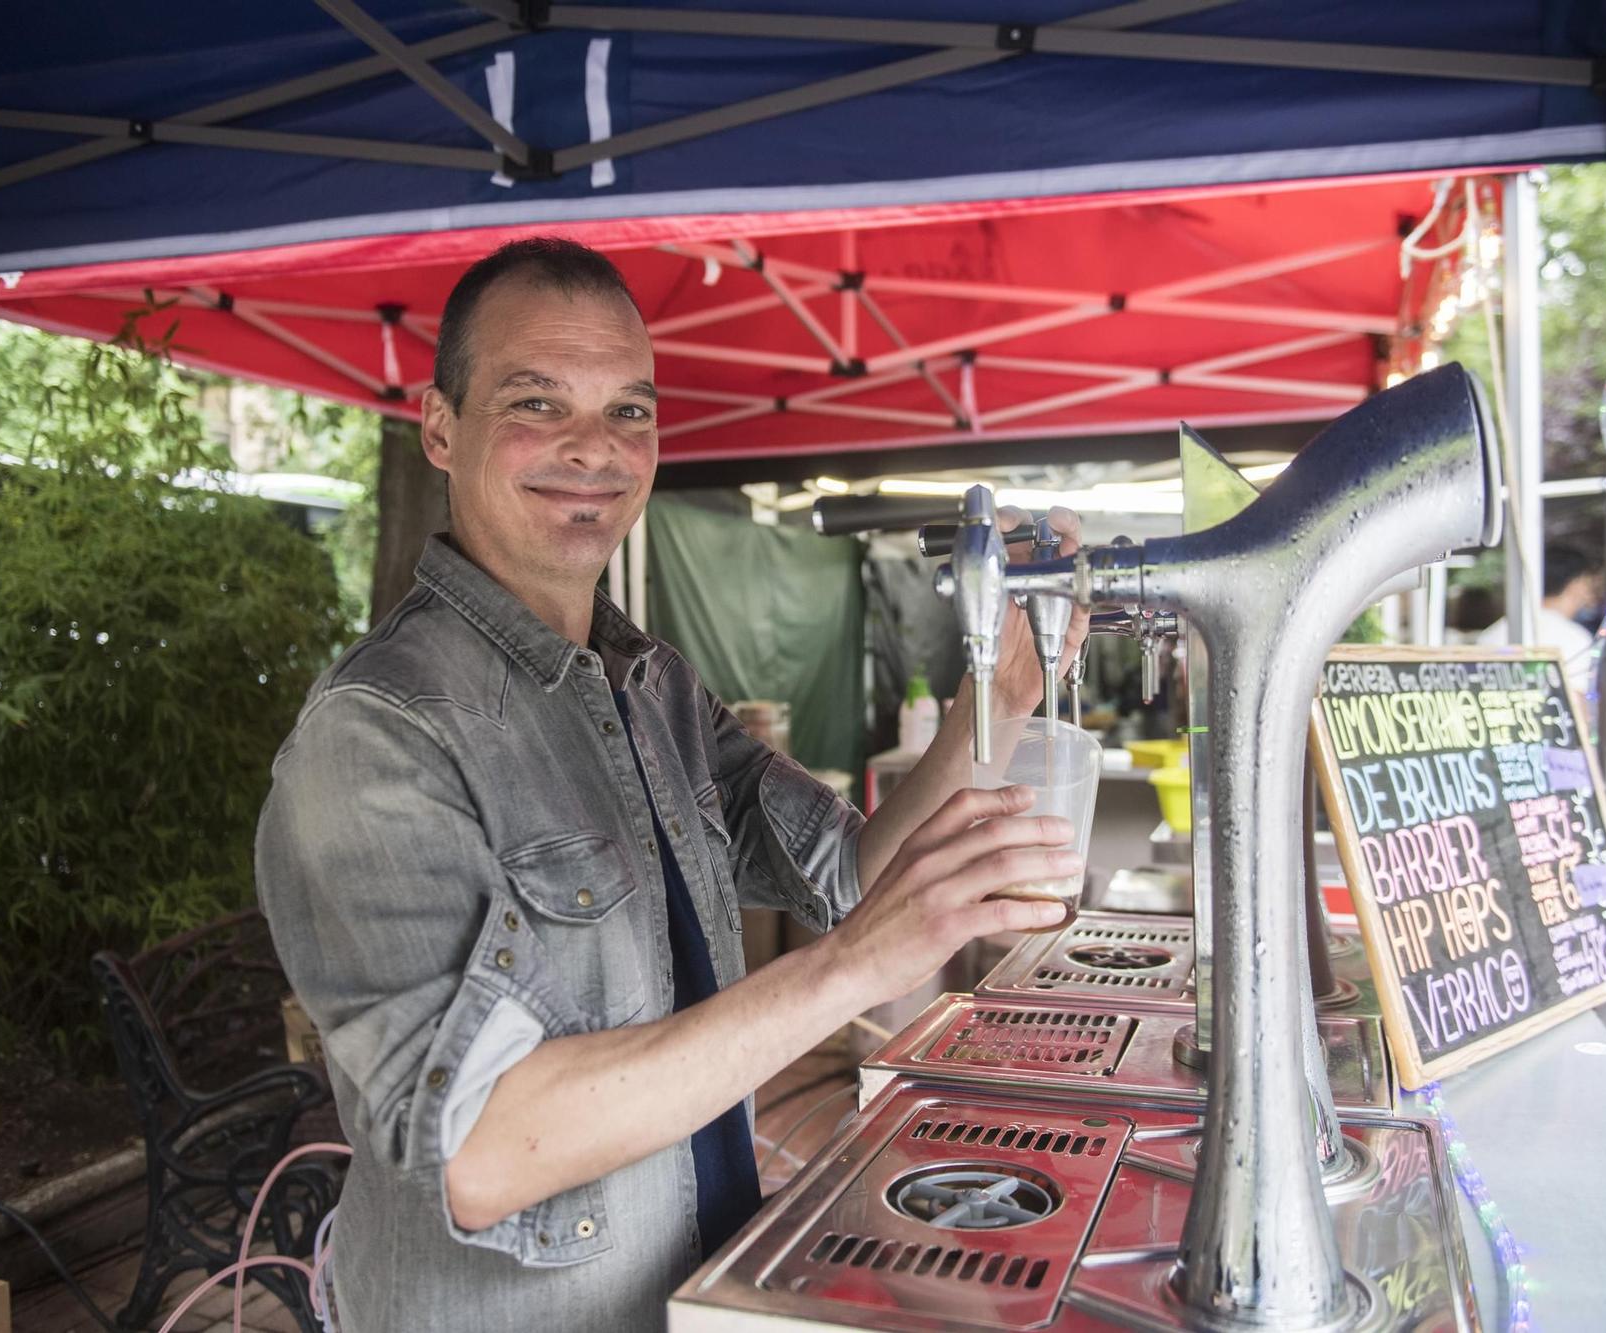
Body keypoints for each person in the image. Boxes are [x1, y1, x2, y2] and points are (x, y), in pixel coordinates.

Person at [253, 238, 1090, 1332]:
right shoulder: (375, 735)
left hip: (697, 1287)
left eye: (629, 412)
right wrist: (852, 966)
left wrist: (1001, 693)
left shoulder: (649, 684)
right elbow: (477, 1149)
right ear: (441, 426)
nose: (592, 449)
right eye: (537, 403)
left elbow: (846, 876)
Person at [1479, 543, 1600, 695]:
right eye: (1589, 581)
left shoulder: (1494, 632)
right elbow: (1575, 700)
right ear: (1577, 583)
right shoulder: (1575, 638)